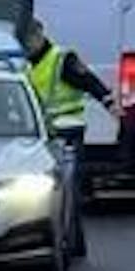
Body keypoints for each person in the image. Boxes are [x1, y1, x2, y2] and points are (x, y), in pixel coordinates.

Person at [23, 18, 122, 211]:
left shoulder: (62, 58)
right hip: (42, 129)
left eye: (29, 40)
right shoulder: (27, 63)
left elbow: (90, 81)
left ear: (39, 35)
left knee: (70, 175)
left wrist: (109, 103)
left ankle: (71, 209)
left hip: (68, 125)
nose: (26, 45)